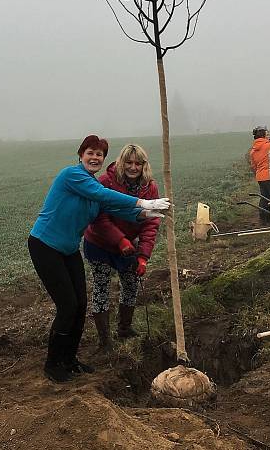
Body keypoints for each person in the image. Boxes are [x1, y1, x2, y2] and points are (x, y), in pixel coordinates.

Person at [28, 135, 169, 382]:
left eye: (99, 155)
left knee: (80, 304)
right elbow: (104, 196)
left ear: (104, 159)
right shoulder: (72, 176)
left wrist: (147, 212)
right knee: (67, 305)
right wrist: (142, 201)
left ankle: (70, 359)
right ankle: (53, 364)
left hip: (69, 250)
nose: (95, 158)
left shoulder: (93, 186)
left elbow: (113, 208)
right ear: (81, 155)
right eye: (90, 153)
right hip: (45, 245)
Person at [83, 144, 160, 351]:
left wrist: (143, 256)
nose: (133, 167)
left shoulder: (149, 187)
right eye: (129, 162)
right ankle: (105, 340)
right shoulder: (106, 182)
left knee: (131, 284)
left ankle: (124, 329)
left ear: (144, 165)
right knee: (101, 287)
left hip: (129, 245)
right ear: (121, 162)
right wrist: (119, 240)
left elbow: (151, 223)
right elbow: (99, 218)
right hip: (99, 244)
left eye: (138, 163)